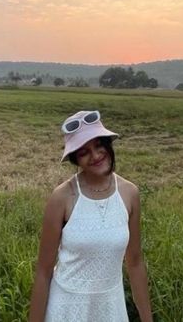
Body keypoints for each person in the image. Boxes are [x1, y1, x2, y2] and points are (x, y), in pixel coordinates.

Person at [29, 109, 153, 322]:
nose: (95, 156)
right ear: (75, 159)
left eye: (99, 145)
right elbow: (44, 270)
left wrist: (147, 319)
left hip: (110, 308)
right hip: (67, 309)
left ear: (108, 144)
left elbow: (134, 261)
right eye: (84, 152)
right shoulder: (62, 197)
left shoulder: (129, 193)